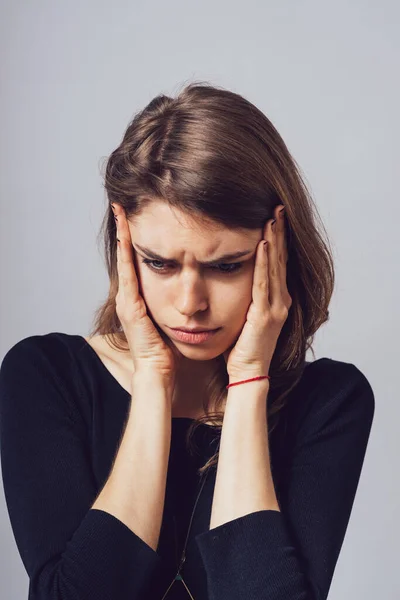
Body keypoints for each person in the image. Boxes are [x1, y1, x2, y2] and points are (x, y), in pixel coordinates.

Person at [0, 82, 375, 600]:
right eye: (160, 263)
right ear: (124, 246)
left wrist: (248, 383)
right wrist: (153, 379)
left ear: (279, 250)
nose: (190, 302)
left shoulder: (330, 401)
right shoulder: (44, 376)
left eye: (225, 266)